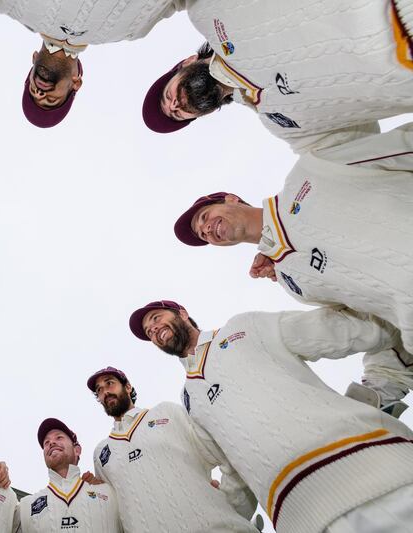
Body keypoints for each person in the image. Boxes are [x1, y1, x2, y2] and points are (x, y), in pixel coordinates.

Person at [130, 299, 413, 532]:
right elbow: (233, 468)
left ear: (182, 313)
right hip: (303, 519)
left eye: (155, 318)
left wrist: (385, 379)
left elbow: (348, 330)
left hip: (379, 477)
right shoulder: (189, 399)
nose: (153, 329)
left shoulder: (242, 328)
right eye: (148, 332)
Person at [172, 123, 413, 365]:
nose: (206, 229)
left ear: (231, 199)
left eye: (204, 217)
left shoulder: (306, 176)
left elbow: (399, 148)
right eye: (203, 235)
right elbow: (369, 320)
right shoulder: (291, 281)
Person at [143, 0, 413, 152]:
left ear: (185, 63)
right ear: (203, 115)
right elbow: (360, 155)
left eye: (168, 95)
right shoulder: (287, 126)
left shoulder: (211, 10)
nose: (175, 105)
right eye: (177, 114)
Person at [87, 366, 259, 532]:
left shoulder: (165, 413)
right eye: (99, 390)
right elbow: (114, 516)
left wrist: (233, 507)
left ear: (128, 386)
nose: (105, 392)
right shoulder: (102, 453)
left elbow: (227, 453)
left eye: (109, 383)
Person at [0, 0, 183, 128]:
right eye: (51, 100)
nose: (40, 93)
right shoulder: (132, 30)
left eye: (34, 90)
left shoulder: (13, 6)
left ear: (33, 59)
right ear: (76, 83)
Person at [15, 418, 121, 532]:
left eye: (59, 437)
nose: (51, 443)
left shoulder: (109, 492)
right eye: (46, 442)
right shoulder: (26, 506)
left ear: (77, 450)